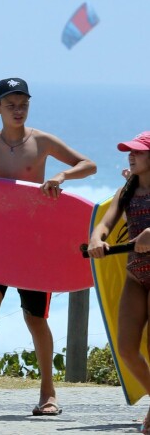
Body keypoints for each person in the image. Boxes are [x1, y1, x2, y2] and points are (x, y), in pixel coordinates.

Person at [0, 77, 96, 417]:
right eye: (10, 104)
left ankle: (48, 395)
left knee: (35, 319)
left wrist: (60, 178)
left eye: (23, 103)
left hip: (33, 245)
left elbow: (88, 164)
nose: (18, 110)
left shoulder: (41, 142)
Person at [88, 131, 150, 434]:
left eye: (137, 152)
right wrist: (95, 239)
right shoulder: (128, 188)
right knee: (126, 348)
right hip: (135, 276)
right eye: (130, 151)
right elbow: (105, 221)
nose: (131, 156)